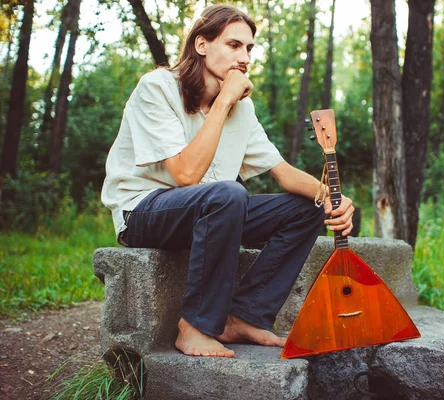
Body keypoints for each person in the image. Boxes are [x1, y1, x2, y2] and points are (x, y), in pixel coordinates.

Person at [101, 4, 354, 358]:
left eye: (249, 48)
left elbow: (281, 172)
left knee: (305, 208)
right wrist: (223, 101)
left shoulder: (242, 109)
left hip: (214, 209)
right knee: (228, 194)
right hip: (144, 212)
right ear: (201, 45)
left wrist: (333, 198)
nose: (245, 57)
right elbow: (187, 175)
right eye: (234, 45)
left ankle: (245, 316)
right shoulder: (157, 88)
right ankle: (195, 327)